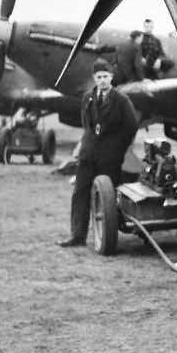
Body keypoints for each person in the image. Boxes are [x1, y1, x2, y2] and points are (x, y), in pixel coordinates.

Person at [59, 58, 138, 247]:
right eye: (99, 77)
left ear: (111, 77)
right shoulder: (88, 97)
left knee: (107, 196)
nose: (102, 80)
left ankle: (107, 236)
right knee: (80, 193)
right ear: (94, 78)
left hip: (110, 157)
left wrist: (117, 149)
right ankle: (78, 235)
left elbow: (131, 127)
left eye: (105, 76)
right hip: (88, 154)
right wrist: (88, 142)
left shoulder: (121, 100)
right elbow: (86, 123)